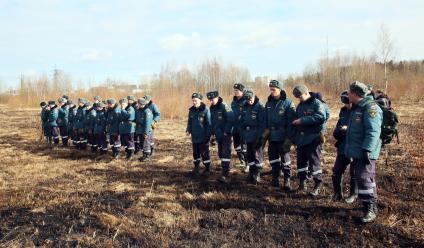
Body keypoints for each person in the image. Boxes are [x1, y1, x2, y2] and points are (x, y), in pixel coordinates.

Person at [345, 81, 383, 223]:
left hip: (366, 151)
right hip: (358, 151)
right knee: (362, 177)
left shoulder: (370, 108)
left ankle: (371, 208)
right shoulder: (357, 107)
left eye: (349, 92)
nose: (347, 94)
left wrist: (367, 149)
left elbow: (373, 131)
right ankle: (368, 204)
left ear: (355, 94)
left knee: (364, 177)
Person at [292, 85, 326, 196]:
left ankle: (318, 184)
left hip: (313, 138)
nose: (299, 99)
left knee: (314, 162)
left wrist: (302, 120)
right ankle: (302, 183)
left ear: (306, 93)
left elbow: (321, 117)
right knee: (301, 162)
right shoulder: (300, 105)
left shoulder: (317, 103)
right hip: (301, 139)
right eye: (297, 97)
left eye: (300, 96)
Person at [264, 80, 296, 190]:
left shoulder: (288, 103)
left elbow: (291, 122)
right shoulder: (268, 103)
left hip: (283, 136)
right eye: (270, 89)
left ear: (280, 90)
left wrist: (289, 138)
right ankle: (275, 178)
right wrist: (265, 134)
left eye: (274, 89)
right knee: (273, 159)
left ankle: (287, 179)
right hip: (272, 136)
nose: (272, 91)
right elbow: (266, 121)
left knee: (285, 158)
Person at [332, 91, 356, 203]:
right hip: (343, 145)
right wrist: (339, 131)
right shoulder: (343, 111)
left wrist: (349, 129)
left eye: (349, 103)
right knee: (337, 170)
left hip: (355, 146)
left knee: (354, 172)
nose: (347, 106)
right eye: (345, 103)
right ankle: (337, 194)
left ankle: (353, 194)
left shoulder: (360, 111)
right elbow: (337, 128)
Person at [207, 90, 234, 183]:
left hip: (226, 134)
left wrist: (226, 131)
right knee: (221, 154)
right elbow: (213, 122)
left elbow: (231, 118)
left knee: (225, 153)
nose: (210, 101)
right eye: (209, 100)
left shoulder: (224, 106)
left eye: (212, 99)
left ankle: (225, 174)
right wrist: (212, 134)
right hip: (218, 134)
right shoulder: (212, 108)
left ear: (217, 97)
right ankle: (226, 168)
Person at [240, 89, 265, 184]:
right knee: (249, 154)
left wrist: (259, 136)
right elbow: (242, 121)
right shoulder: (245, 106)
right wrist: (242, 134)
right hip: (247, 134)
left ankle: (257, 173)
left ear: (254, 96)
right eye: (247, 100)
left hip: (256, 134)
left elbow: (262, 123)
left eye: (250, 99)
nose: (249, 101)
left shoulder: (260, 107)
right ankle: (251, 172)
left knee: (257, 155)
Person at [186, 93, 212, 178]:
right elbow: (189, 122)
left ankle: (207, 169)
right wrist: (188, 130)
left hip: (203, 136)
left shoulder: (206, 110)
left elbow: (209, 124)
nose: (194, 102)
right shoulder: (191, 110)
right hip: (195, 136)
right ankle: (196, 167)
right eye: (193, 100)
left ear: (200, 100)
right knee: (195, 153)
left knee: (204, 153)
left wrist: (208, 136)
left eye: (195, 100)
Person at [231, 83, 248, 171]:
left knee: (244, 147)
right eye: (234, 90)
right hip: (235, 128)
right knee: (237, 146)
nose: (235, 92)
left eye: (237, 90)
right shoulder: (233, 102)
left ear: (242, 91)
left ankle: (248, 164)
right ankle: (242, 162)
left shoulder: (246, 101)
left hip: (244, 128)